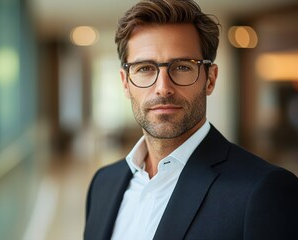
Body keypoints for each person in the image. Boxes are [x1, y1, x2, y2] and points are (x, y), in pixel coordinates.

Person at [84, 0, 298, 239]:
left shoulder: (264, 190)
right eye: (145, 68)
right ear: (125, 82)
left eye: (183, 67)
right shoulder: (103, 184)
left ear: (210, 79)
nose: (163, 88)